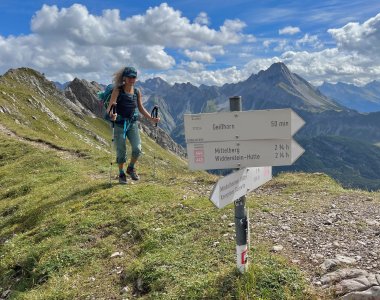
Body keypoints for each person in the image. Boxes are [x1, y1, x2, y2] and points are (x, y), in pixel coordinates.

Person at [106, 66, 160, 184]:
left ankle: (130, 168)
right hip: (120, 124)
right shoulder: (117, 90)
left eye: (134, 77)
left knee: (137, 148)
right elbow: (110, 108)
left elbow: (140, 108)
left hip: (133, 123)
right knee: (121, 150)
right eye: (130, 77)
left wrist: (151, 118)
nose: (132, 79)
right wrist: (112, 115)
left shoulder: (136, 91)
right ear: (124, 77)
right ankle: (121, 173)